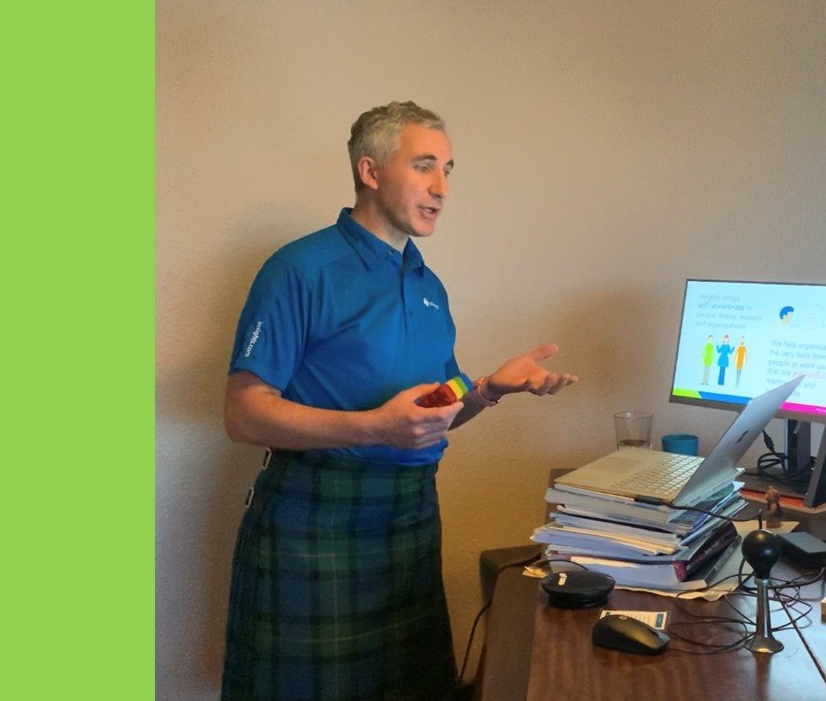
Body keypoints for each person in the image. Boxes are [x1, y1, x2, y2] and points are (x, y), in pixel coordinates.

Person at [220, 101, 578, 701]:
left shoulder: (429, 285)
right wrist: (374, 427)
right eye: (424, 165)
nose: (442, 187)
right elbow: (242, 412)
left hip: (410, 518)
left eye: (448, 170)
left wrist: (488, 388)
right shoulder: (298, 270)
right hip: (316, 519)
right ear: (370, 170)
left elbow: (436, 408)